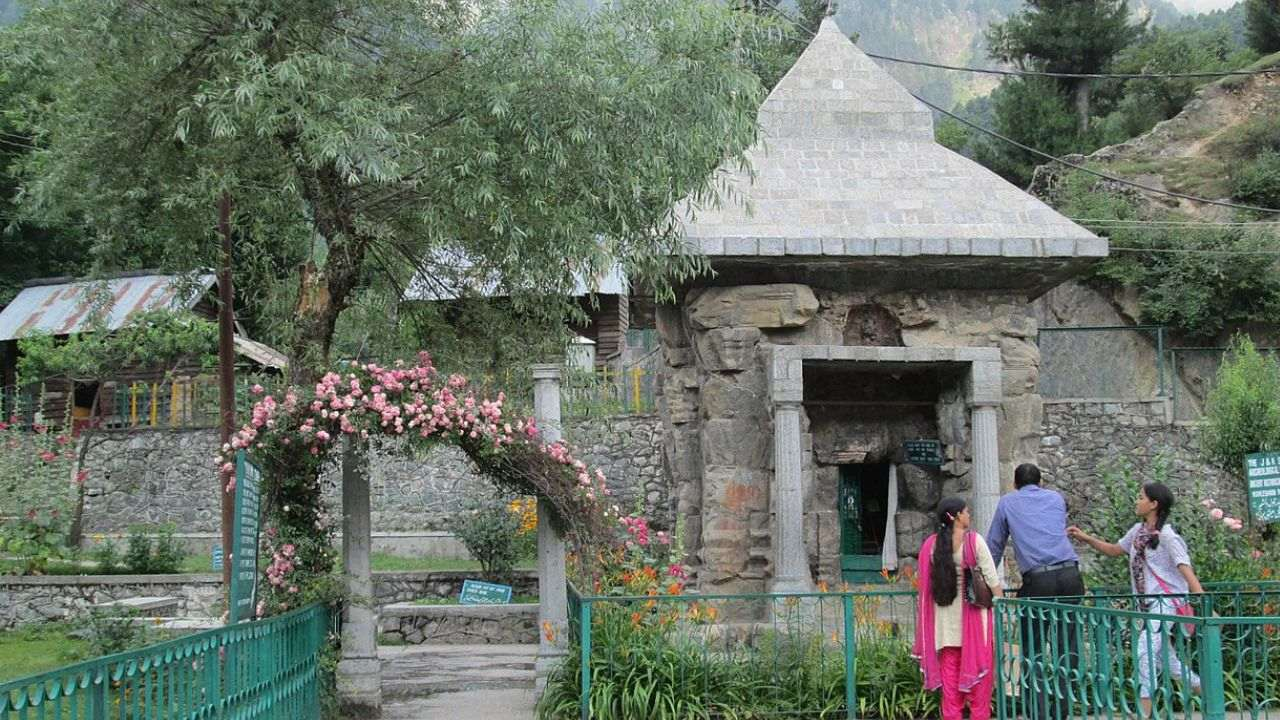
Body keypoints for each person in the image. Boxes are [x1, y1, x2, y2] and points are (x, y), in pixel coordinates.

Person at [1069, 482, 1204, 717]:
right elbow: (1114, 550)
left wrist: (1203, 601)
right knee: (1167, 660)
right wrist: (1086, 538)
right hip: (1148, 605)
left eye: (1141, 497)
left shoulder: (1168, 537)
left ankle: (1144, 711)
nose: (1136, 500)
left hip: (1166, 603)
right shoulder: (1137, 531)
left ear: (1154, 504)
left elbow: (1185, 567)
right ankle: (1212, 693)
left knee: (1144, 651)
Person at [987, 463, 1085, 720]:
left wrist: (983, 580)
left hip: (1038, 579)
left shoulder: (1008, 502)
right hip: (1071, 575)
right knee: (1068, 646)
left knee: (1035, 649)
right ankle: (1063, 711)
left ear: (1015, 484)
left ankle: (1037, 712)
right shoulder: (1056, 498)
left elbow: (994, 547)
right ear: (1040, 482)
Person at [914, 497, 1004, 720]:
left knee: (950, 681)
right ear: (955, 516)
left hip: (944, 620)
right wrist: (1002, 603)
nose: (969, 515)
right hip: (974, 617)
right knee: (980, 681)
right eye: (966, 512)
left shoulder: (931, 545)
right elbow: (992, 579)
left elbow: (924, 585)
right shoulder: (974, 541)